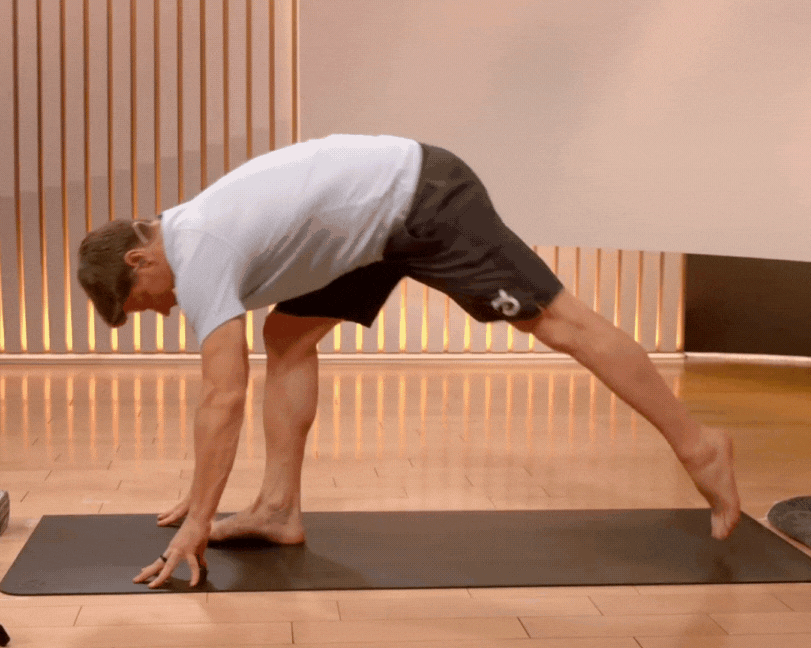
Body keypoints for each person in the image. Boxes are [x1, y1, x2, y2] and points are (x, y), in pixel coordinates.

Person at [77, 134, 741, 589]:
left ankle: (699, 446)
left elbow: (222, 395)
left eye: (142, 302)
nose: (159, 311)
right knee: (289, 336)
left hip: (425, 198)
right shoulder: (193, 235)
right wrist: (201, 495)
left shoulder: (199, 248)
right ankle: (278, 510)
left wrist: (198, 520)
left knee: (559, 322)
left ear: (140, 259)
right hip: (366, 231)